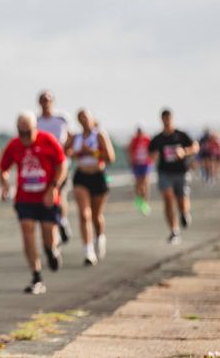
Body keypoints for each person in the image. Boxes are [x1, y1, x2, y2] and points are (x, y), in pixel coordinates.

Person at [0, 111, 67, 295]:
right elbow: (3, 167)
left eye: (28, 132)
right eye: (21, 133)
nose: (25, 137)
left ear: (35, 128)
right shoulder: (14, 145)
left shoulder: (48, 141)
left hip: (46, 197)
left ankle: (51, 249)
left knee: (47, 234)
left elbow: (62, 164)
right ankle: (36, 276)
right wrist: (5, 184)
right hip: (25, 198)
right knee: (27, 233)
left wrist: (54, 187)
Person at [64, 110, 116, 266]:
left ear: (92, 119)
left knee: (96, 215)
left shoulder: (99, 135)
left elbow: (110, 157)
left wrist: (92, 152)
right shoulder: (76, 137)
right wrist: (76, 152)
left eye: (86, 118)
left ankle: (100, 237)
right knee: (84, 214)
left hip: (98, 176)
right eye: (80, 119)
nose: (84, 121)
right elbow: (65, 152)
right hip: (81, 176)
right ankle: (88, 251)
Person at [148, 109, 199, 245]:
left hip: (181, 172)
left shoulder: (181, 135)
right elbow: (150, 152)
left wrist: (184, 151)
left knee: (182, 199)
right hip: (165, 172)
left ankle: (184, 212)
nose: (167, 121)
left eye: (169, 119)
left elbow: (195, 147)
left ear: (172, 119)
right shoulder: (158, 138)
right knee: (168, 198)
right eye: (164, 119)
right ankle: (174, 230)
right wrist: (153, 156)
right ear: (162, 120)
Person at [37, 90, 73, 244]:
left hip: (60, 164)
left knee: (59, 194)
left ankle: (62, 220)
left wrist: (68, 151)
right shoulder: (36, 121)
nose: (46, 101)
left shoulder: (62, 118)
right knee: (46, 198)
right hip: (43, 167)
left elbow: (71, 136)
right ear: (39, 102)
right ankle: (54, 227)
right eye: (43, 99)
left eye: (48, 99)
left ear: (52, 101)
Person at [128, 126, 153, 215]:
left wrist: (152, 159)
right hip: (136, 164)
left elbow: (152, 150)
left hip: (146, 164)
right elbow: (129, 150)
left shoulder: (147, 139)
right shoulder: (134, 140)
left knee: (145, 183)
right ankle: (139, 199)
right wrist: (131, 160)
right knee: (138, 183)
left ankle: (145, 202)